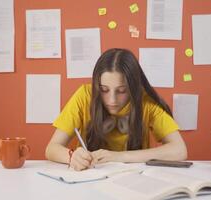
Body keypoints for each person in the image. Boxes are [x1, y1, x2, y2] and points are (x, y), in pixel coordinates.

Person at [45, 48, 187, 171]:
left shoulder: (146, 103)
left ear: (133, 88)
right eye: (104, 90)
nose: (112, 100)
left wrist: (119, 156)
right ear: (96, 85)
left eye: (122, 91)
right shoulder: (84, 96)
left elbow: (180, 150)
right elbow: (51, 148)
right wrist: (72, 156)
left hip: (133, 181)